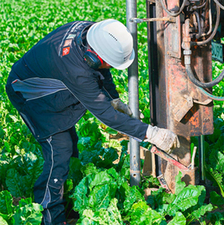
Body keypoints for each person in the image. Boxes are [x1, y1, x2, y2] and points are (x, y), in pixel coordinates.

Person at [5, 19, 180, 225]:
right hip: (29, 94)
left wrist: (113, 97)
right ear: (93, 58)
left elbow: (102, 71)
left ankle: (67, 195)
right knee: (59, 150)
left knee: (70, 145)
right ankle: (49, 215)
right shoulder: (77, 70)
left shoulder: (92, 33)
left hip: (46, 81)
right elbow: (106, 115)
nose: (108, 67)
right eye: (107, 63)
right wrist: (151, 134)